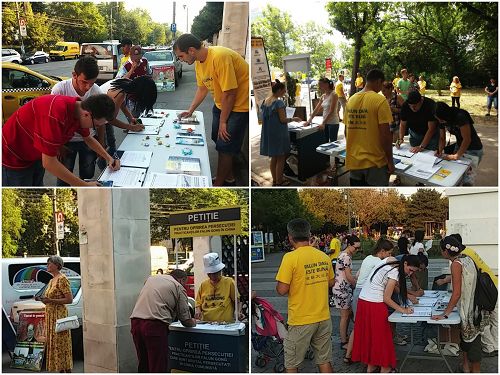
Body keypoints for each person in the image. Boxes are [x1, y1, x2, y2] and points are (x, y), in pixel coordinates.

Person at [173, 34, 249, 187]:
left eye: (181, 56)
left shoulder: (220, 57)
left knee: (225, 145)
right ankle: (229, 174)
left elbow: (230, 93)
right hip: (221, 104)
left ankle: (220, 184)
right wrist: (190, 110)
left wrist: (223, 121)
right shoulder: (199, 62)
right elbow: (202, 89)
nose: (180, 60)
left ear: (191, 50)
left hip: (239, 105)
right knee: (216, 137)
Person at [2, 95, 120, 186]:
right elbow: (49, 163)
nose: (95, 128)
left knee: (37, 186)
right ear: (87, 115)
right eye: (96, 125)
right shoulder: (55, 114)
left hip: (35, 153)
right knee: (21, 193)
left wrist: (108, 157)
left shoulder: (78, 110)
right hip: (13, 156)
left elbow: (88, 138)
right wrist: (84, 185)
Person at [276, 218, 334, 373]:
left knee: (292, 364)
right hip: (323, 317)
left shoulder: (290, 258)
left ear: (290, 237)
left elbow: (281, 290)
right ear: (309, 235)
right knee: (324, 360)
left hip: (301, 319)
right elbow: (331, 282)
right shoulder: (323, 256)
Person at [431, 236, 492, 373]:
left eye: (442, 251)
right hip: (476, 307)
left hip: (469, 310)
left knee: (473, 346)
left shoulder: (456, 264)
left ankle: (474, 371)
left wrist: (445, 313)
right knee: (468, 341)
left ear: (446, 252)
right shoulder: (467, 259)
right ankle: (465, 367)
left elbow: (457, 293)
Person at [352, 254, 420, 373]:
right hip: (375, 304)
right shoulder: (394, 272)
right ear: (404, 263)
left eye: (412, 272)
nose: (409, 274)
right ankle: (385, 368)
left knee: (371, 337)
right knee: (383, 338)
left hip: (364, 301)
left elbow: (393, 287)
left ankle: (371, 366)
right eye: (410, 270)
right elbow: (386, 298)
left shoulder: (390, 260)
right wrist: (403, 310)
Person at [51, 55, 106, 186]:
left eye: (92, 83)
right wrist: (58, 146)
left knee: (87, 175)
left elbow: (101, 123)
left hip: (88, 139)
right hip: (66, 142)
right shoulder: (60, 89)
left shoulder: (96, 91)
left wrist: (101, 143)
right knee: (64, 177)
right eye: (84, 82)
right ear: (74, 75)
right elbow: (53, 123)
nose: (87, 87)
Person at [130, 269, 195, 372]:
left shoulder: (151, 279)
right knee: (158, 365)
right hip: (154, 326)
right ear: (182, 280)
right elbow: (185, 320)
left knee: (144, 363)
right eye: (185, 283)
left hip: (136, 322)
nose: (185, 285)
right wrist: (195, 322)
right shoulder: (178, 287)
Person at [344, 238, 394, 364]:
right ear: (382, 251)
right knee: (362, 327)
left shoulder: (368, 258)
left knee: (359, 326)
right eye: (389, 253)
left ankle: (350, 355)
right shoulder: (379, 262)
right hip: (366, 294)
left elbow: (358, 274)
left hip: (358, 292)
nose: (390, 256)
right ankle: (360, 356)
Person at [345, 69, 394, 186]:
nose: (382, 88)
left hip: (354, 160)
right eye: (382, 85)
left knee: (357, 199)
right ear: (378, 81)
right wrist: (390, 161)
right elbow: (385, 135)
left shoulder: (351, 100)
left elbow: (346, 131)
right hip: (375, 162)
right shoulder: (380, 100)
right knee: (377, 200)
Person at [98, 76, 156, 167]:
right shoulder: (118, 94)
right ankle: (104, 168)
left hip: (103, 116)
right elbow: (111, 120)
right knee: (101, 147)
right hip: (96, 119)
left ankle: (112, 161)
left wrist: (131, 118)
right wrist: (131, 127)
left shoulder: (128, 83)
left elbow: (122, 104)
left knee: (111, 142)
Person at [35, 256, 74, 372]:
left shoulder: (62, 279)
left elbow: (69, 300)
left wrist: (51, 301)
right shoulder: (52, 280)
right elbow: (49, 298)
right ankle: (59, 369)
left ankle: (66, 370)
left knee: (61, 345)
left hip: (59, 315)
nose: (47, 265)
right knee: (54, 344)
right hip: (50, 315)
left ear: (57, 265)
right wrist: (42, 299)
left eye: (49, 263)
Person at [260, 80, 301, 186]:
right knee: (281, 158)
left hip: (269, 134)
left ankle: (274, 179)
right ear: (279, 90)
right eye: (283, 90)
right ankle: (279, 181)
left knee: (274, 158)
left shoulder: (266, 101)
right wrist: (294, 119)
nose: (284, 92)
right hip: (279, 133)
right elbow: (283, 120)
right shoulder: (279, 102)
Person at [435, 101, 483, 185]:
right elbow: (442, 138)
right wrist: (439, 150)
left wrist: (456, 156)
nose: (440, 121)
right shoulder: (440, 118)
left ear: (446, 115)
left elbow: (467, 139)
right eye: (438, 119)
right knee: (455, 174)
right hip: (459, 145)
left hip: (473, 149)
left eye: (441, 120)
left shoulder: (460, 116)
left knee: (467, 179)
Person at [195, 253, 243, 322]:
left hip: (225, 324)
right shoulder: (203, 285)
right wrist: (198, 311)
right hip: (207, 323)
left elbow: (237, 301)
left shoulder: (229, 282)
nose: (213, 276)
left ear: (220, 271)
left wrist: (238, 312)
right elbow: (198, 303)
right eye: (210, 273)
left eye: (216, 273)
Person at [332, 235, 360, 351]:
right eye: (356, 248)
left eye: (359, 248)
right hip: (342, 289)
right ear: (349, 245)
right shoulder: (346, 257)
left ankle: (345, 337)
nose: (357, 250)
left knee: (347, 315)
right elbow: (348, 276)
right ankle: (343, 341)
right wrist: (357, 284)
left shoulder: (343, 255)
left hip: (340, 287)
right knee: (344, 316)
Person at [305, 78, 340, 143]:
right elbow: (316, 110)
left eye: (320, 85)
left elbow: (331, 111)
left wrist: (323, 123)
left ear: (326, 85)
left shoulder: (334, 94)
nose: (319, 87)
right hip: (325, 122)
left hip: (333, 123)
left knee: (333, 143)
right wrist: (309, 121)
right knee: (325, 142)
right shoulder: (323, 96)